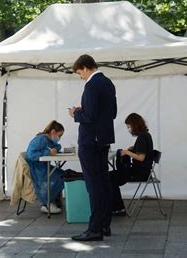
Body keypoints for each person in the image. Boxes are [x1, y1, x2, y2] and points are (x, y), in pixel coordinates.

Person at [69, 54, 117, 242]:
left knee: (93, 185)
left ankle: (95, 229)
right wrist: (85, 112)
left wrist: (75, 113)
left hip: (90, 141)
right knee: (104, 183)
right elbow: (112, 113)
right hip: (104, 139)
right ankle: (105, 225)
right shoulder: (108, 83)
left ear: (86, 68)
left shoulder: (91, 85)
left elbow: (89, 116)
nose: (80, 76)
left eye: (80, 72)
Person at [110, 113, 153, 216]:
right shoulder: (146, 135)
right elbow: (142, 153)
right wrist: (133, 149)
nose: (129, 129)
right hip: (142, 171)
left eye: (129, 126)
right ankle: (117, 208)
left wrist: (127, 152)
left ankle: (118, 208)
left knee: (109, 178)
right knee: (110, 177)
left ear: (135, 125)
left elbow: (141, 158)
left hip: (140, 172)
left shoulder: (142, 136)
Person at [25, 120, 65, 214]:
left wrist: (55, 149)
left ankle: (53, 200)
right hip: (37, 169)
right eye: (59, 135)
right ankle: (46, 203)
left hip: (42, 167)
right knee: (60, 177)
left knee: (63, 174)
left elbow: (57, 146)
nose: (59, 138)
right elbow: (30, 155)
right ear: (53, 132)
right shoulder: (40, 139)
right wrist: (48, 152)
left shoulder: (48, 140)